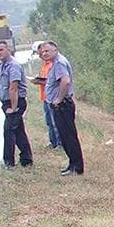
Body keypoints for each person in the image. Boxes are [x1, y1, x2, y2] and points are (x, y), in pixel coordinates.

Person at [39, 41, 84, 175]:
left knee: (68, 136)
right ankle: (72, 164)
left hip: (63, 105)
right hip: (61, 104)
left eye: (47, 51)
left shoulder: (59, 63)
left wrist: (58, 99)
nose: (44, 53)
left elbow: (65, 81)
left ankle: (76, 166)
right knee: (65, 136)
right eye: (43, 51)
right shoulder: (55, 63)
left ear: (55, 50)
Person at [0, 40, 32, 168]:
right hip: (7, 103)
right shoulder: (2, 66)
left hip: (15, 102)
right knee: (18, 131)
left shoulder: (13, 65)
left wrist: (14, 107)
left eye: (1, 49)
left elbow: (13, 88)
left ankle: (9, 162)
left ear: (8, 50)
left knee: (8, 131)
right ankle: (26, 159)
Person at [26, 42, 60, 148]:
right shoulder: (45, 65)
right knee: (49, 122)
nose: (41, 55)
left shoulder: (52, 64)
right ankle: (53, 142)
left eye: (43, 52)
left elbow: (52, 82)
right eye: (39, 53)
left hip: (51, 97)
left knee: (55, 123)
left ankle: (59, 143)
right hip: (45, 97)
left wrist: (38, 81)